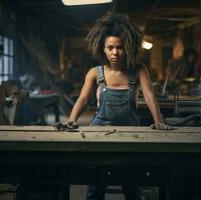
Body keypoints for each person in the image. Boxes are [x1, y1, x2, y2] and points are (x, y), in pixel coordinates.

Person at [65, 13, 174, 200]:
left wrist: (159, 121)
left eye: (120, 47)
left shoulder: (139, 70)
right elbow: (82, 99)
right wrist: (71, 120)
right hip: (99, 133)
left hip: (131, 132)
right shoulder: (94, 73)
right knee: (95, 185)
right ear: (103, 49)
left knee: (132, 185)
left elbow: (149, 96)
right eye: (111, 48)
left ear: (129, 48)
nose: (115, 52)